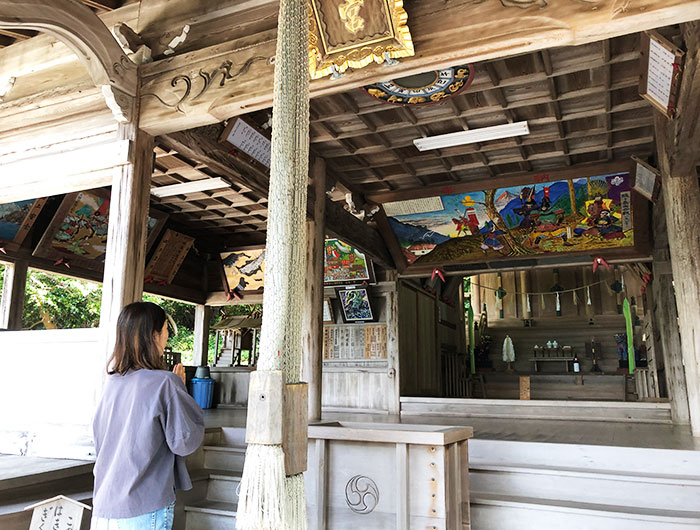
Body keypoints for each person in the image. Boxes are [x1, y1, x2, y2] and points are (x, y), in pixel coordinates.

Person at [91, 302, 205, 530]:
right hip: (145, 506)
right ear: (153, 336)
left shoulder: (112, 383)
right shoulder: (165, 382)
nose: (166, 339)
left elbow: (99, 441)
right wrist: (181, 391)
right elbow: (184, 442)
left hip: (104, 507)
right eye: (165, 332)